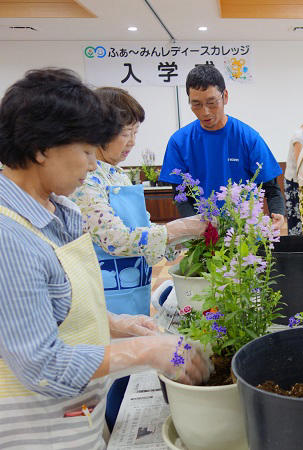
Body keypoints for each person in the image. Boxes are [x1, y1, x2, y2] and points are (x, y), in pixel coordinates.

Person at [0, 69, 210, 448]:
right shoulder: (8, 236)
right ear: (41, 149)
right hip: (37, 430)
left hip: (77, 413)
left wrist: (115, 323)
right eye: (85, 151)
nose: (94, 164)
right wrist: (145, 350)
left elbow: (56, 303)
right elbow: (42, 366)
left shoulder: (56, 210)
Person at [70, 87, 209, 430]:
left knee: (122, 375)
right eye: (124, 132)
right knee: (104, 379)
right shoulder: (86, 180)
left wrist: (188, 242)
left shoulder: (118, 175)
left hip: (132, 289)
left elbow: (145, 235)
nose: (131, 141)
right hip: (105, 293)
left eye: (135, 132)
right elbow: (116, 240)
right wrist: (180, 227)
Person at [159, 64, 285, 231]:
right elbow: (180, 195)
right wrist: (196, 226)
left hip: (245, 231)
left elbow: (271, 186)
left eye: (211, 103)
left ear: (225, 96)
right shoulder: (180, 142)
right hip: (203, 233)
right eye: (196, 104)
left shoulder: (248, 138)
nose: (205, 112)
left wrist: (278, 212)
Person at [284, 123, 303, 235]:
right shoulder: (299, 137)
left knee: (301, 216)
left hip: (301, 181)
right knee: (295, 216)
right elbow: (300, 162)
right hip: (294, 181)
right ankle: (295, 246)